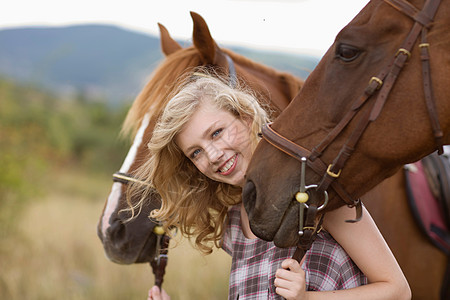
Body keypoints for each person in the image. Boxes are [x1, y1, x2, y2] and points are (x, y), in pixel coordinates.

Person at [130, 73, 411, 300]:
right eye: (196, 153)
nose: (213, 155)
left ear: (247, 117)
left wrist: (307, 299)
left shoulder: (315, 188)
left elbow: (396, 290)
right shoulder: (233, 223)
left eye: (217, 133)